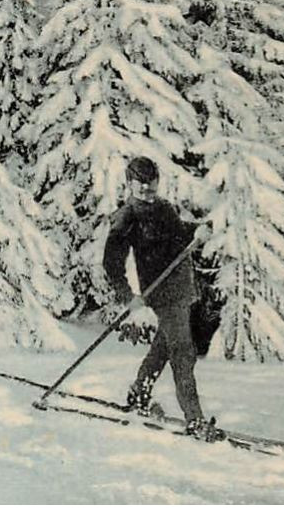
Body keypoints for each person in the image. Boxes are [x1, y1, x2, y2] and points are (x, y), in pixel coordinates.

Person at [102, 156, 221, 442]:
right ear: (129, 184)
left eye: (151, 183)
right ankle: (194, 419)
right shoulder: (126, 217)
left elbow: (179, 233)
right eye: (139, 184)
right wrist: (126, 294)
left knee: (164, 348)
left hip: (181, 289)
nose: (146, 189)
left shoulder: (164, 208)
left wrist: (199, 230)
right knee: (183, 352)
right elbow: (111, 262)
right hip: (162, 293)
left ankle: (139, 393)